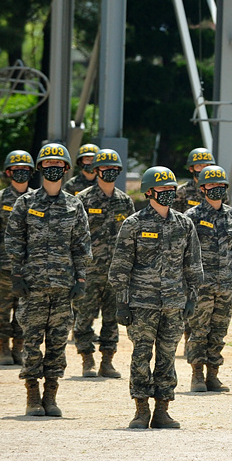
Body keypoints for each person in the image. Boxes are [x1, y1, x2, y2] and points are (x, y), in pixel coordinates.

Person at [110, 166, 203, 429]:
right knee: (141, 356)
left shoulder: (184, 224)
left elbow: (193, 265)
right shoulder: (134, 224)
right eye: (162, 190)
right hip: (142, 304)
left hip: (173, 303)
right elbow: (121, 266)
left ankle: (162, 410)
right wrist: (122, 302)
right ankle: (141, 410)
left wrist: (191, 298)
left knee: (167, 357)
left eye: (171, 189)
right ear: (149, 191)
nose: (167, 194)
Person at [5, 143, 91, 418]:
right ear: (40, 169)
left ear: (66, 169)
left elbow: (81, 245)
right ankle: (32, 395)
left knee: (57, 342)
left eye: (58, 165)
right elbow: (14, 240)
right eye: (48, 165)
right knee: (31, 341)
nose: (53, 169)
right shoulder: (26, 203)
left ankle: (50, 395)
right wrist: (17, 274)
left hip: (63, 287)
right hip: (33, 286)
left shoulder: (74, 204)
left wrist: (80, 278)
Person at [72, 148, 134, 379]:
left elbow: (131, 238)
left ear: (118, 171)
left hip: (116, 274)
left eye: (113, 169)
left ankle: (107, 361)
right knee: (84, 317)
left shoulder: (125, 201)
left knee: (112, 319)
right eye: (104, 168)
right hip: (89, 272)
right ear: (96, 170)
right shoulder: (83, 199)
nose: (109, 172)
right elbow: (75, 236)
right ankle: (87, 360)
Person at [184, 165, 232, 394]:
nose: (216, 189)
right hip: (201, 286)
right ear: (202, 188)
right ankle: (197, 375)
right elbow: (186, 252)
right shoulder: (192, 217)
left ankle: (213, 375)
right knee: (198, 330)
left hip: (225, 284)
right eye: (211, 185)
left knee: (219, 330)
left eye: (220, 185)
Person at [0, 149, 34, 366]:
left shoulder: (37, 199)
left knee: (25, 311)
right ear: (8, 172)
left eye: (25, 169)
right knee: (2, 309)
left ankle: (18, 348)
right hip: (3, 267)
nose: (21, 173)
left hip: (29, 268)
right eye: (17, 169)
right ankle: (3, 348)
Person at [171, 147, 215, 211]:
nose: (203, 169)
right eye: (199, 166)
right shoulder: (182, 191)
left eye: (207, 165)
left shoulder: (217, 190)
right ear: (191, 169)